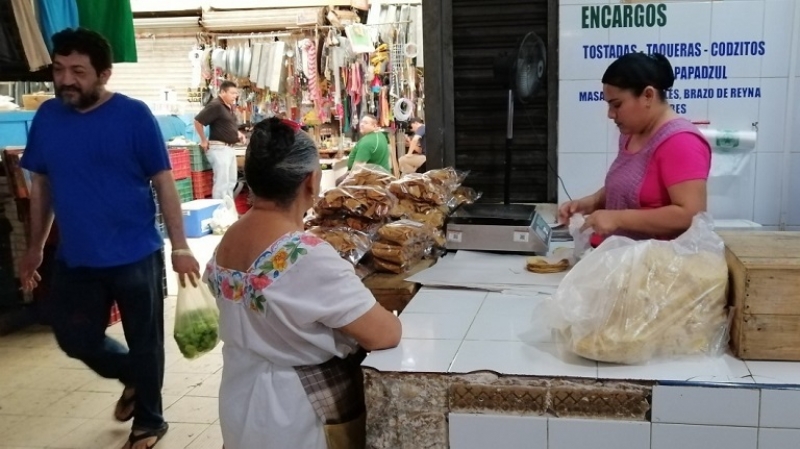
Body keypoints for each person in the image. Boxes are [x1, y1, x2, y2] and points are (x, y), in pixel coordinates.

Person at [18, 28, 200, 449]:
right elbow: (42, 186)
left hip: (135, 253)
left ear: (104, 74)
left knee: (145, 342)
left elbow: (164, 182)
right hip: (77, 256)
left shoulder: (133, 115)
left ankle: (149, 422)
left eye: (78, 71)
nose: (66, 80)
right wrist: (35, 248)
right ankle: (133, 374)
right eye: (59, 69)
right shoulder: (47, 117)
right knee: (74, 336)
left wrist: (180, 246)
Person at [205, 117, 402, 449]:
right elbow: (385, 334)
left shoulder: (227, 241)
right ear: (311, 181)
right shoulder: (305, 255)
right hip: (294, 414)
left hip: (239, 399)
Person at [558, 52, 711, 245]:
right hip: (617, 256)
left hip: (656, 261)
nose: (610, 114)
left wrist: (618, 219)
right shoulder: (632, 133)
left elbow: (690, 215)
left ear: (648, 95)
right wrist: (590, 203)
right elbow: (626, 186)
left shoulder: (681, 142)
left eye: (617, 105)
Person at [194, 80, 246, 200]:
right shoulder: (215, 105)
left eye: (236, 93)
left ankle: (228, 208)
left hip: (229, 148)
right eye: (232, 93)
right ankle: (219, 208)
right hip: (219, 148)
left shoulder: (227, 107)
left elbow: (226, 125)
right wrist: (203, 140)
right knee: (222, 183)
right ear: (223, 92)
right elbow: (197, 121)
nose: (235, 96)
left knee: (231, 182)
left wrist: (238, 134)